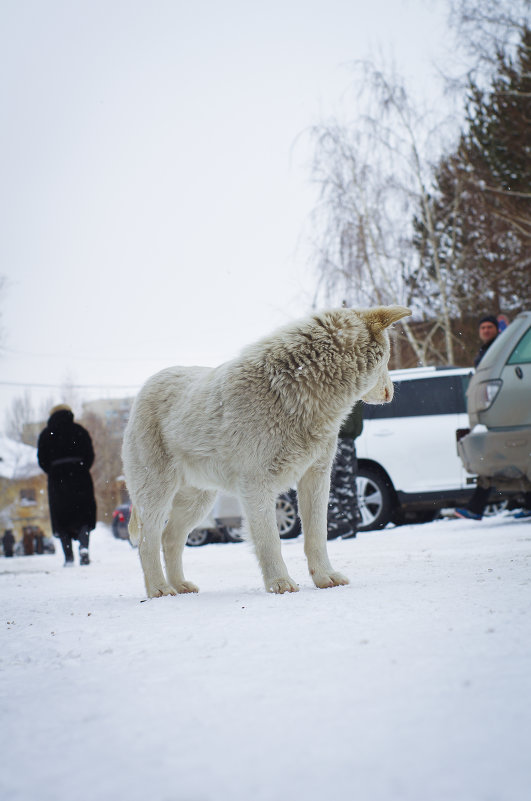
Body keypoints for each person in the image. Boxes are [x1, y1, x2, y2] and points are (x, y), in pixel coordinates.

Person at [456, 314, 531, 521]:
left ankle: (476, 507)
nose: (486, 331)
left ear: (497, 330)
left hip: (503, 410)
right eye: (483, 328)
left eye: (490, 327)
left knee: (509, 455)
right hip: (496, 411)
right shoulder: (488, 351)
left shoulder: (500, 351)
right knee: (515, 457)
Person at [37, 405, 97, 566]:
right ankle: (84, 547)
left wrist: (54, 470)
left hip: (58, 480)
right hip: (80, 477)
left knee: (61, 517)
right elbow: (90, 455)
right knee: (84, 513)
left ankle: (68, 556)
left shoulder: (45, 434)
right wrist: (80, 467)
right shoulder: (80, 430)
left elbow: (42, 460)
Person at [327, 401, 364, 540]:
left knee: (326, 484)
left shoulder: (338, 382)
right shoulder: (356, 383)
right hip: (348, 437)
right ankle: (351, 520)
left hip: (335, 436)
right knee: (346, 482)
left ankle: (337, 522)